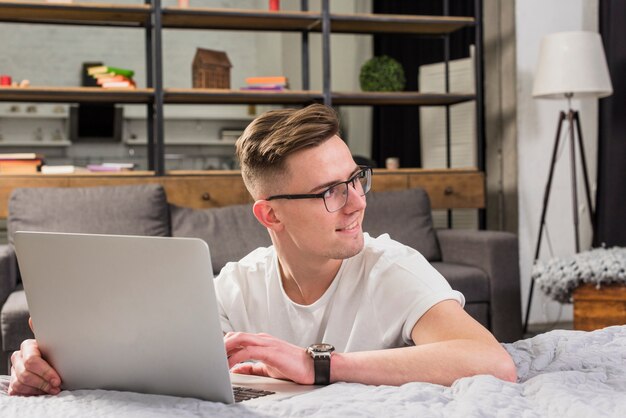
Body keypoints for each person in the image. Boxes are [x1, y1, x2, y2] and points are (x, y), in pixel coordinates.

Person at [8, 104, 516, 396]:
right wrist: (48, 362)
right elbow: (148, 359)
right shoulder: (237, 283)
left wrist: (320, 365)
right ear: (270, 214)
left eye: (356, 179)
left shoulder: (391, 267)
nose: (356, 202)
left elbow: (492, 363)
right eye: (328, 192)